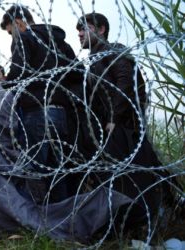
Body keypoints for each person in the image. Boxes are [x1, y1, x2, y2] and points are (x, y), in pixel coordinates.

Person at [76, 12, 169, 234]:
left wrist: (114, 119)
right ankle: (135, 222)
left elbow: (125, 81)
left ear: (101, 30)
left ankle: (149, 221)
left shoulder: (112, 49)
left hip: (124, 126)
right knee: (132, 174)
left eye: (85, 28)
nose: (79, 33)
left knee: (137, 175)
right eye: (78, 30)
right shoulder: (96, 59)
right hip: (115, 126)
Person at [0, 5, 80, 203]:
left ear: (18, 23)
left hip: (37, 112)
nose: (12, 37)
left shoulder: (25, 37)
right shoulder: (59, 43)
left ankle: (35, 222)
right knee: (58, 171)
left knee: (34, 170)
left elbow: (18, 72)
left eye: (11, 32)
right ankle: (63, 218)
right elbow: (78, 73)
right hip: (61, 114)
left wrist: (3, 88)